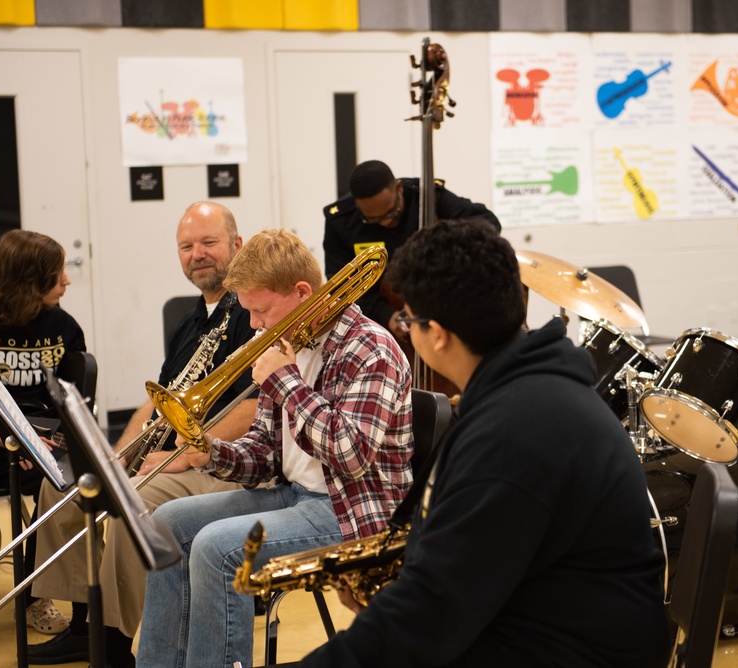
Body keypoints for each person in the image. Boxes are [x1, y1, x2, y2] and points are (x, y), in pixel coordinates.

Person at [302, 218, 671, 667]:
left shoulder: (516, 429)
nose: (405, 329)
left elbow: (432, 614)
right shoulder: (520, 393)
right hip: (531, 623)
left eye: (407, 318)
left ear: (435, 334)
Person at [136, 228, 414, 668]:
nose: (254, 325)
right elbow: (266, 455)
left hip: (354, 510)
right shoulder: (288, 342)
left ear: (302, 292)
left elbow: (352, 454)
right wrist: (208, 452)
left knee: (215, 548)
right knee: (165, 524)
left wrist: (285, 381)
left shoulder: (370, 347)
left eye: (261, 309)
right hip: (296, 495)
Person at [27, 202, 258, 668]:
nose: (198, 254)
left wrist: (176, 459)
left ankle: (123, 641)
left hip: (220, 461)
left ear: (237, 245)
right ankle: (82, 624)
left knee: (129, 507)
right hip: (170, 454)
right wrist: (119, 453)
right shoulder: (189, 322)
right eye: (186, 246)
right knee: (63, 488)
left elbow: (253, 409)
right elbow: (156, 399)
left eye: (209, 243)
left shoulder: (251, 314)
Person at [0, 229, 85, 636]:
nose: (67, 281)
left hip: (39, 440)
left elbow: (70, 401)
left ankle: (35, 595)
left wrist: (41, 443)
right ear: (29, 279)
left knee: (74, 480)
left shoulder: (62, 327)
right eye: (57, 275)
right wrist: (13, 439)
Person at [322, 159, 500, 343]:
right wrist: (386, 315)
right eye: (373, 219)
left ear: (399, 188)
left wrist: (446, 248)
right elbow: (342, 287)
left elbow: (487, 222)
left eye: (392, 212)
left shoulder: (426, 194)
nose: (385, 222)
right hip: (380, 326)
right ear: (357, 205)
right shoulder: (340, 221)